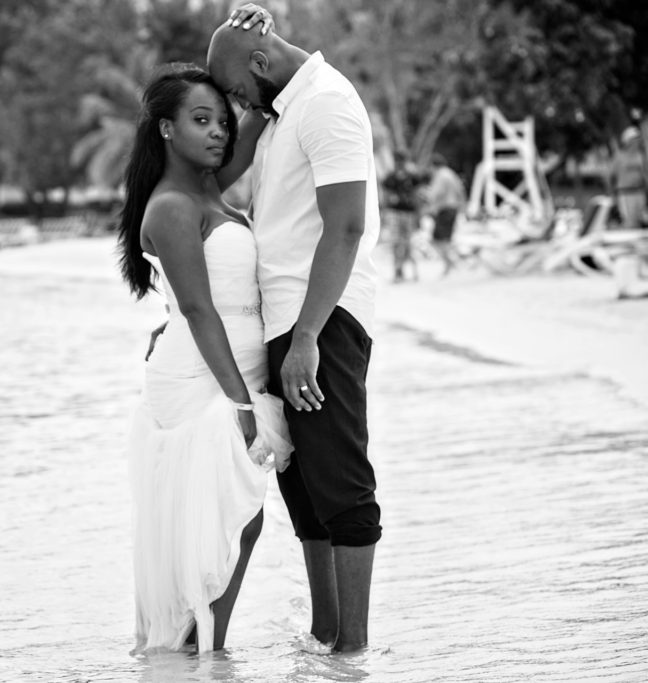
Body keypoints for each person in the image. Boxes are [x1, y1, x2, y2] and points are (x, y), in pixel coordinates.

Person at [207, 5, 383, 653]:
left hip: (324, 318)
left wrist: (308, 336)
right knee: (305, 491)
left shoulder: (328, 103)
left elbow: (347, 228)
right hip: (286, 321)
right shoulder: (282, 110)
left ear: (258, 65)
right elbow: (213, 182)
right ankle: (326, 639)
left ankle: (355, 650)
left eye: (233, 91)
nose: (231, 106)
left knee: (341, 483)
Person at [120, 61, 292, 655]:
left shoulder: (210, 190)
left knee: (235, 520)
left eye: (220, 120)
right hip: (202, 378)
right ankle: (200, 653)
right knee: (231, 521)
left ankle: (199, 651)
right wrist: (240, 402)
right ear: (166, 129)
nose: (218, 131)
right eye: (200, 120)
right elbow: (197, 309)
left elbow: (259, 110)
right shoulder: (172, 206)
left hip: (228, 368)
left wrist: (255, 35)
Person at [382, 151, 425, 282]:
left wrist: (419, 215)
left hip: (407, 213)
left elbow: (417, 196)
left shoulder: (412, 177)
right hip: (396, 213)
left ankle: (410, 271)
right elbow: (386, 196)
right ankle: (399, 271)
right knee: (397, 243)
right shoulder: (391, 178)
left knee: (408, 243)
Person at [425, 153, 466, 276]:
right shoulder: (451, 174)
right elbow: (461, 191)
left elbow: (435, 194)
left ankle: (451, 263)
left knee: (438, 239)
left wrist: (425, 195)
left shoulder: (441, 175)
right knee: (446, 239)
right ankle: (451, 264)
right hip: (453, 208)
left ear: (433, 165)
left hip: (445, 209)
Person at [609, 126, 647, 230]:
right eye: (635, 139)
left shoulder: (640, 155)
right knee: (629, 222)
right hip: (625, 193)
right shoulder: (619, 156)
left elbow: (644, 174)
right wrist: (613, 195)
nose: (637, 142)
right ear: (628, 141)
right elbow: (612, 177)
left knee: (640, 220)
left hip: (639, 191)